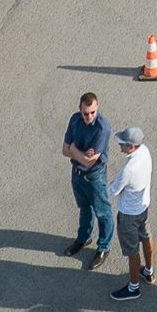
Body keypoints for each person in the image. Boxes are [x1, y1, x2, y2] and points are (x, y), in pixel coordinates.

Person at [59, 90, 114, 267]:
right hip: (77, 174)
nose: (89, 116)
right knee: (84, 208)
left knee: (102, 212)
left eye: (92, 112)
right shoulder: (75, 120)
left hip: (94, 176)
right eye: (85, 113)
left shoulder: (102, 128)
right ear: (80, 109)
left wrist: (74, 150)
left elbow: (89, 162)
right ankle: (83, 238)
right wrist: (81, 154)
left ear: (97, 108)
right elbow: (64, 150)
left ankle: (104, 246)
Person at [105, 125, 154, 301]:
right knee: (146, 237)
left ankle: (133, 288)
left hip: (128, 216)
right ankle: (148, 271)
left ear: (131, 146)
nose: (120, 146)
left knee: (132, 252)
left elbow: (113, 191)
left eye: (122, 144)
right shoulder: (145, 151)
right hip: (143, 209)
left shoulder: (128, 169)